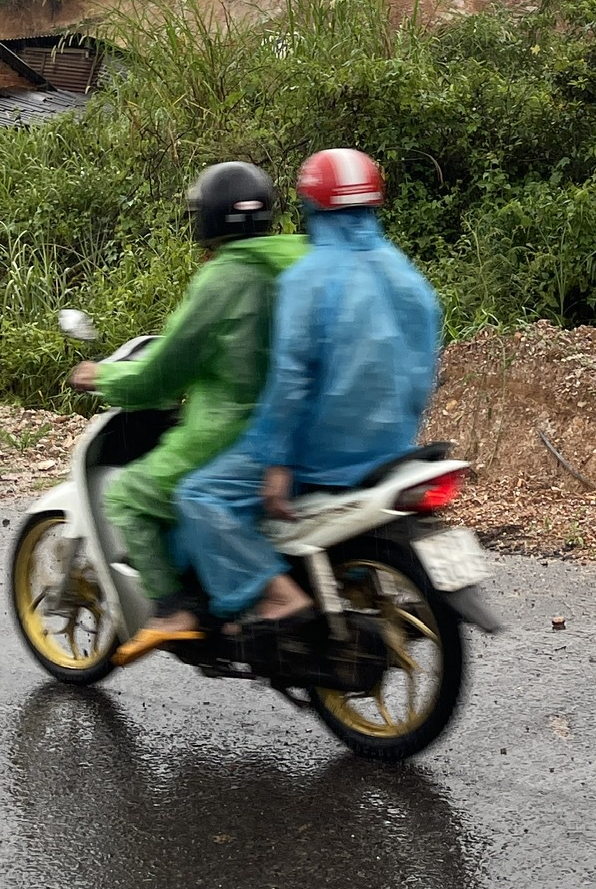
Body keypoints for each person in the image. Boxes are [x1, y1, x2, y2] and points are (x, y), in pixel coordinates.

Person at [175, 146, 442, 629]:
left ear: (311, 204)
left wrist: (277, 463)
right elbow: (423, 369)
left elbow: (291, 380)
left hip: (320, 455)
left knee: (200, 496)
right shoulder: (407, 277)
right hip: (391, 451)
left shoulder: (308, 279)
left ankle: (274, 595)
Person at [71, 161, 307, 666]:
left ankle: (173, 609)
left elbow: (163, 370)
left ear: (208, 219)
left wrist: (104, 377)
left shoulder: (224, 277)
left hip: (229, 431)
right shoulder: (293, 260)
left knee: (130, 497)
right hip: (295, 428)